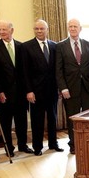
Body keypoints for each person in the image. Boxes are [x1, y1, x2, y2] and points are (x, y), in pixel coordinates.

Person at [0, 20, 33, 156]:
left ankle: (23, 145)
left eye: (4, 29)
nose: (1, 32)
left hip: (21, 93)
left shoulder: (21, 46)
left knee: (22, 122)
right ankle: (9, 148)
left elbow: (26, 71)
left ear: (11, 30)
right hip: (4, 94)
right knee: (6, 123)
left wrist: (28, 90)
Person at [55, 18, 89, 154]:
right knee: (73, 118)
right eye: (70, 26)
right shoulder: (61, 46)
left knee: (88, 118)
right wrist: (63, 88)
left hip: (88, 89)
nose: (73, 28)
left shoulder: (88, 44)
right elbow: (58, 69)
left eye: (75, 26)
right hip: (70, 89)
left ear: (80, 28)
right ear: (68, 28)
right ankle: (73, 144)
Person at [22, 19, 63, 156]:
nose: (39, 31)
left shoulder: (54, 46)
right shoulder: (26, 47)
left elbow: (58, 70)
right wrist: (29, 91)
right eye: (36, 29)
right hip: (35, 91)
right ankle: (37, 146)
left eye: (41, 29)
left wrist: (59, 88)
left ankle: (53, 143)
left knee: (53, 118)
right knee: (37, 120)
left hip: (52, 90)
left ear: (47, 30)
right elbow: (25, 72)